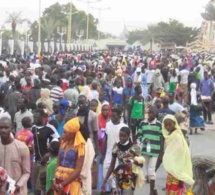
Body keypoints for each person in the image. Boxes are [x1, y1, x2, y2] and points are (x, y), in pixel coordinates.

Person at [102, 127, 144, 195]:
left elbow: (141, 164)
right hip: (119, 175)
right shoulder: (116, 147)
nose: (121, 137)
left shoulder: (134, 147)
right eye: (120, 135)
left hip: (130, 176)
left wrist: (133, 163)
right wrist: (105, 180)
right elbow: (112, 165)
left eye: (124, 136)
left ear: (128, 136)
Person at [162, 115, 194, 195]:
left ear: (174, 123)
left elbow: (180, 157)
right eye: (166, 125)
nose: (168, 127)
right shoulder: (169, 136)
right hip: (171, 172)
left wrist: (180, 178)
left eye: (170, 124)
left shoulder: (177, 137)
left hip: (177, 173)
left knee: (175, 192)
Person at [53, 117, 85, 195]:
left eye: (65, 132)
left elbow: (78, 169)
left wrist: (63, 184)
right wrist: (55, 180)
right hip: (59, 181)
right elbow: (58, 162)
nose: (62, 134)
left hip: (71, 182)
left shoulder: (79, 146)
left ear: (72, 134)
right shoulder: (63, 143)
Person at [0, 116, 30, 195]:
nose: (3, 130)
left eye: (6, 128)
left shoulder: (22, 148)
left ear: (12, 128)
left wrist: (18, 185)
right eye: (1, 127)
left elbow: (26, 172)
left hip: (17, 191)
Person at [32, 109, 59, 195]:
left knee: (40, 187)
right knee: (36, 188)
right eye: (34, 116)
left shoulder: (50, 128)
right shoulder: (33, 128)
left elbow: (58, 141)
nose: (35, 118)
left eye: (37, 116)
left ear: (44, 117)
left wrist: (48, 154)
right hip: (36, 161)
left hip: (46, 162)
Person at [137, 105, 162, 195]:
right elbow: (139, 136)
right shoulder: (142, 123)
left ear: (155, 114)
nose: (149, 115)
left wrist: (161, 151)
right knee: (148, 170)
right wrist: (144, 139)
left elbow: (161, 137)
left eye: (152, 113)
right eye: (148, 113)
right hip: (145, 150)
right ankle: (155, 190)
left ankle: (151, 192)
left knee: (151, 171)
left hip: (155, 150)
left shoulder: (159, 124)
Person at [77, 95, 98, 195]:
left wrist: (96, 149)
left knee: (87, 169)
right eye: (79, 103)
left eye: (83, 103)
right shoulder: (75, 114)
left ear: (87, 102)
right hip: (78, 144)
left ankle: (87, 191)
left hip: (89, 144)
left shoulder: (93, 115)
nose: (81, 105)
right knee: (79, 169)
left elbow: (95, 133)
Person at [103, 108, 127, 192]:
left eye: (114, 116)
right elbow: (105, 140)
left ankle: (115, 189)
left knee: (117, 173)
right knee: (106, 171)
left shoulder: (124, 127)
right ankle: (112, 188)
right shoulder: (108, 125)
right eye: (111, 116)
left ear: (119, 116)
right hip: (108, 153)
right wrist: (103, 153)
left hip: (119, 154)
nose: (112, 117)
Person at [15, 117, 34, 190]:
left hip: (18, 155)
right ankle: (29, 188)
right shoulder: (30, 134)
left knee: (20, 171)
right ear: (29, 123)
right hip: (28, 156)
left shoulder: (17, 133)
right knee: (28, 172)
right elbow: (31, 147)